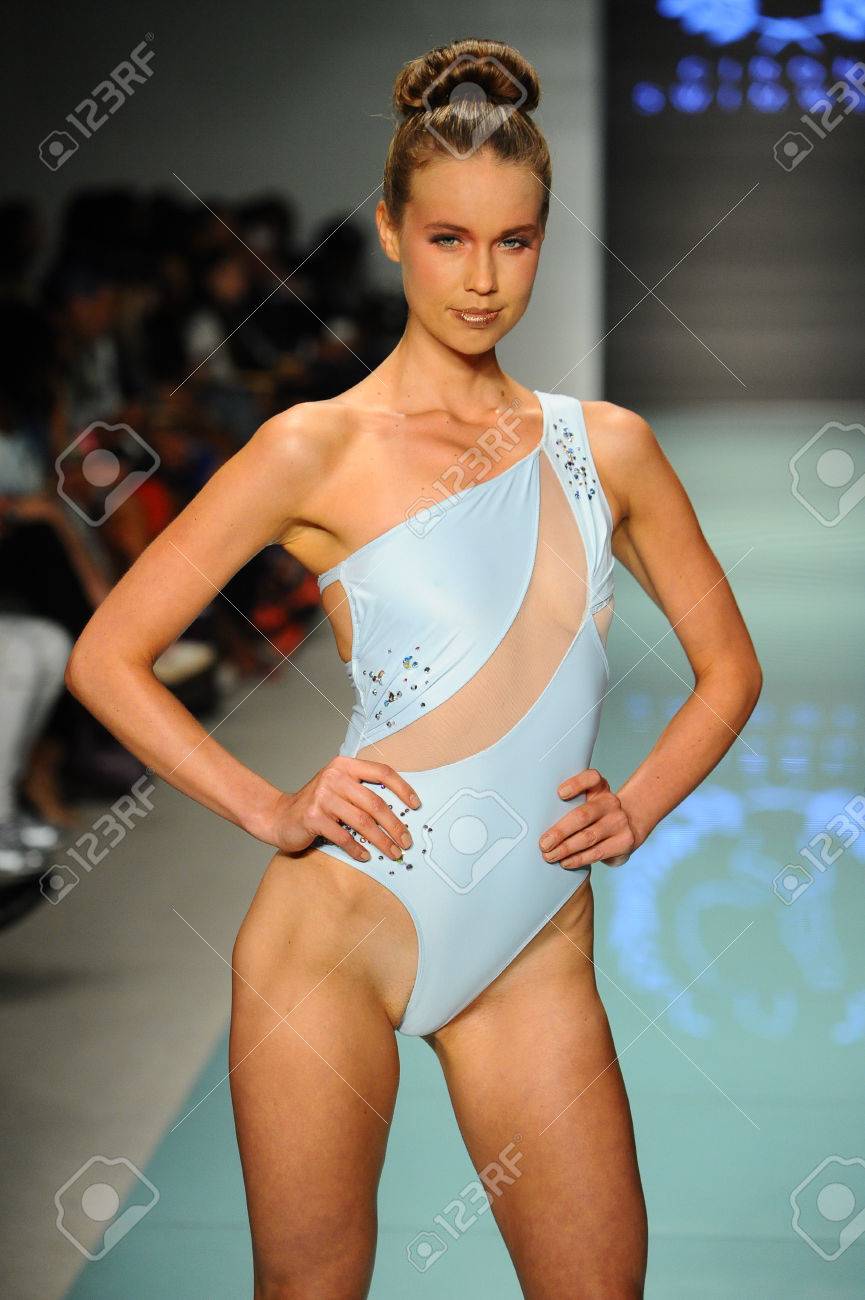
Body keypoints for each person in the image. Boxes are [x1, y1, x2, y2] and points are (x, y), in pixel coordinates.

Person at [65, 38, 762, 1299]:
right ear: (391, 232)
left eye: (514, 241)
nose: (483, 279)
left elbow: (729, 669)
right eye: (448, 239)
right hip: (336, 935)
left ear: (542, 238)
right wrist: (269, 808)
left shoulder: (609, 447)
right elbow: (108, 656)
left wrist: (641, 804)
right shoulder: (312, 448)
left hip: (531, 947)